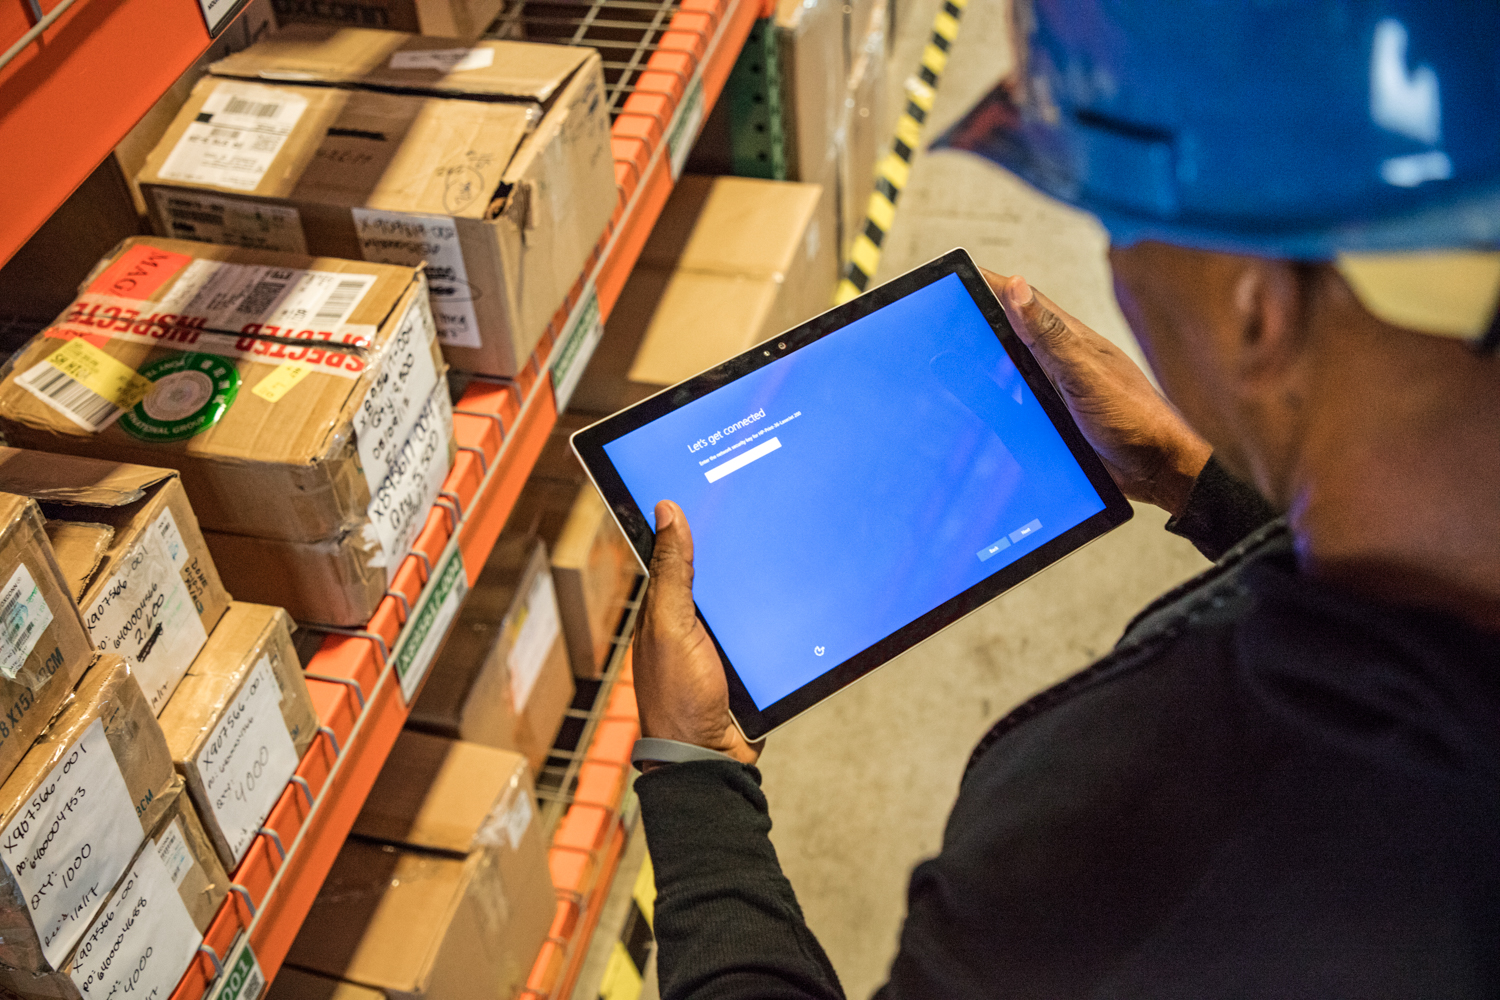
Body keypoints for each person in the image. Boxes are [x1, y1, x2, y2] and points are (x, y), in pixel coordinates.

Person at [627, 2, 1500, 996]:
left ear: (1257, 308)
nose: (1120, 270)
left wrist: (694, 773)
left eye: (1122, 231)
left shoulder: (1137, 860)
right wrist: (1197, 475)